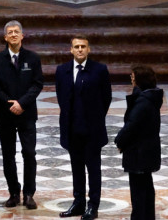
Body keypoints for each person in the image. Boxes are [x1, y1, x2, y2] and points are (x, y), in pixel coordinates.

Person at [0, 20, 44, 209]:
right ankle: (13, 192)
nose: (13, 34)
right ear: (5, 37)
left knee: (29, 153)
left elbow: (37, 84)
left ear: (22, 35)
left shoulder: (33, 58)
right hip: (5, 115)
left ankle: (29, 194)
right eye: (9, 32)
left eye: (16, 31)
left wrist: (22, 103)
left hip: (27, 114)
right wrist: (9, 103)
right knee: (8, 155)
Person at [55, 36, 111, 220]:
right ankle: (78, 202)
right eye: (76, 47)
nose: (80, 49)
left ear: (89, 49)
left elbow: (106, 98)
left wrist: (95, 117)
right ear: (71, 49)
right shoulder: (62, 70)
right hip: (72, 129)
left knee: (94, 169)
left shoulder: (99, 70)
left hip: (92, 130)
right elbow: (61, 96)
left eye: (83, 47)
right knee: (76, 168)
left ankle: (93, 205)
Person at [115, 65, 163, 220]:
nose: (131, 79)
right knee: (146, 186)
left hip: (139, 152)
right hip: (146, 150)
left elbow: (131, 126)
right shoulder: (150, 98)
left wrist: (119, 141)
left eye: (133, 77)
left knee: (139, 191)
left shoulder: (143, 102)